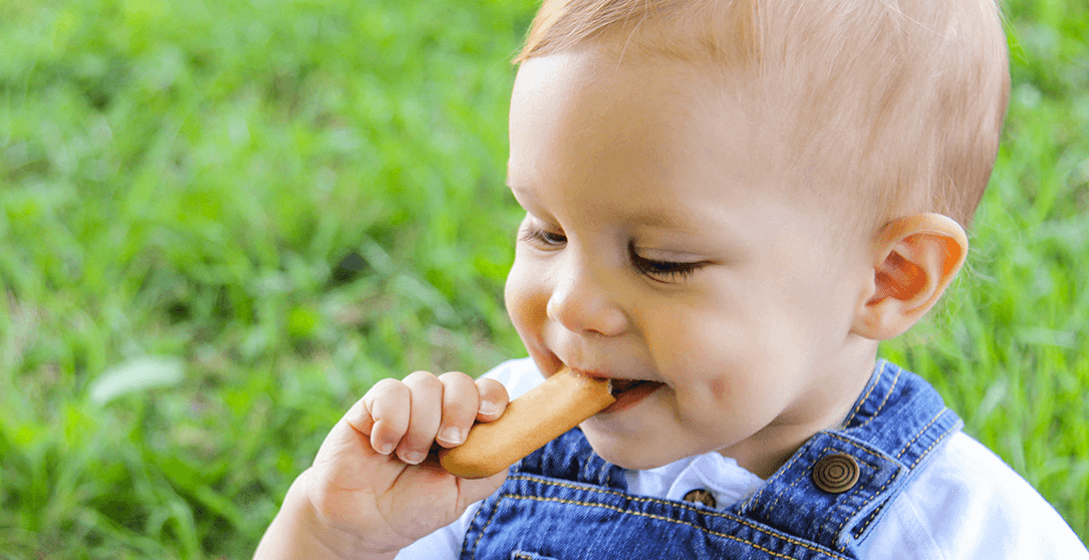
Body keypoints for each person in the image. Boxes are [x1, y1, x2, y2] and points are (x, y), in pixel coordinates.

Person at [254, 0, 1089, 558]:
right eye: (546, 230)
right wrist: (329, 534)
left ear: (889, 278)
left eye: (661, 261)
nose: (571, 302)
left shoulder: (967, 535)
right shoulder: (469, 475)